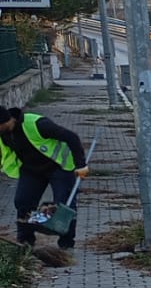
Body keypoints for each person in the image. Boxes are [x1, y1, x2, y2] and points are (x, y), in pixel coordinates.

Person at [0, 106, 88, 257]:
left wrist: (81, 165)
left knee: (65, 205)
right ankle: (26, 241)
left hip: (58, 167)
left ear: (4, 121)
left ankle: (66, 245)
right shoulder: (3, 134)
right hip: (31, 170)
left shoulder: (37, 124)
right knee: (23, 202)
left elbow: (71, 137)